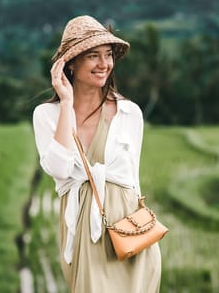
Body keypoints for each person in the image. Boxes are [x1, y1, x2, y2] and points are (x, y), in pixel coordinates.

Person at [32, 15, 162, 292]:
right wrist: (66, 103)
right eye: (93, 56)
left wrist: (139, 233)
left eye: (108, 55)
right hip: (83, 232)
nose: (104, 64)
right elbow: (59, 169)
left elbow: (133, 181)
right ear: (71, 63)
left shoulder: (129, 112)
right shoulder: (47, 115)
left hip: (127, 235)